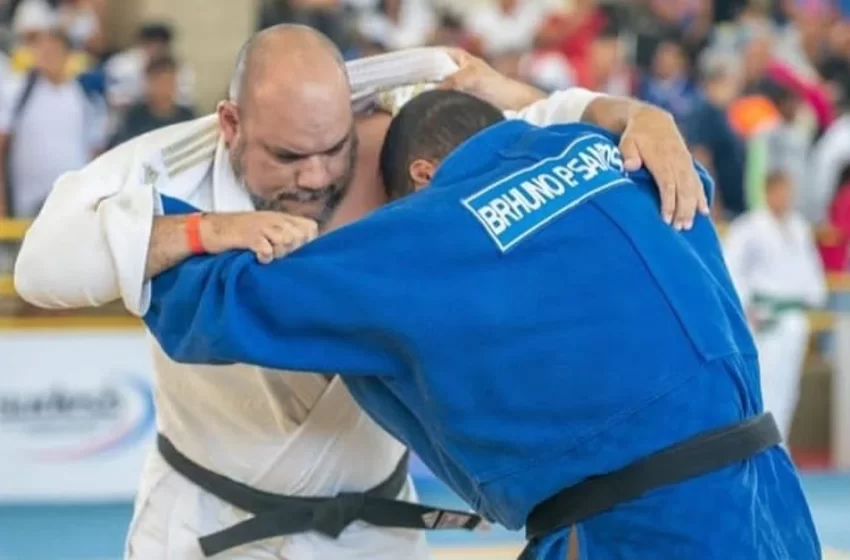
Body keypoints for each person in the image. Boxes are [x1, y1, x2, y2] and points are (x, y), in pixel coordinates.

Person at [14, 27, 709, 560]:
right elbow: (40, 268)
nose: (315, 176)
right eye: (287, 157)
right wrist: (204, 231)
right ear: (232, 125)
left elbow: (548, 117)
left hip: (374, 531)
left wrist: (632, 117)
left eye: (333, 149)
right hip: (203, 524)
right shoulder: (173, 165)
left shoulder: (410, 118)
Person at [142, 89, 820, 560]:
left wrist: (166, 208)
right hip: (776, 504)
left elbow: (217, 304)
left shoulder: (434, 228)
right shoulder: (629, 154)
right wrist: (635, 112)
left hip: (641, 535)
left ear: (422, 175)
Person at [724, 170, 828, 441]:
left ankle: (781, 446)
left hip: (794, 319)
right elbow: (731, 270)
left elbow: (812, 275)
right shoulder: (748, 228)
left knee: (789, 389)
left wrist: (813, 295)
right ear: (768, 192)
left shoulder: (799, 227)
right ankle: (762, 447)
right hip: (762, 318)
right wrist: (745, 306)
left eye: (789, 192)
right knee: (765, 384)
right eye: (781, 191)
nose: (786, 198)